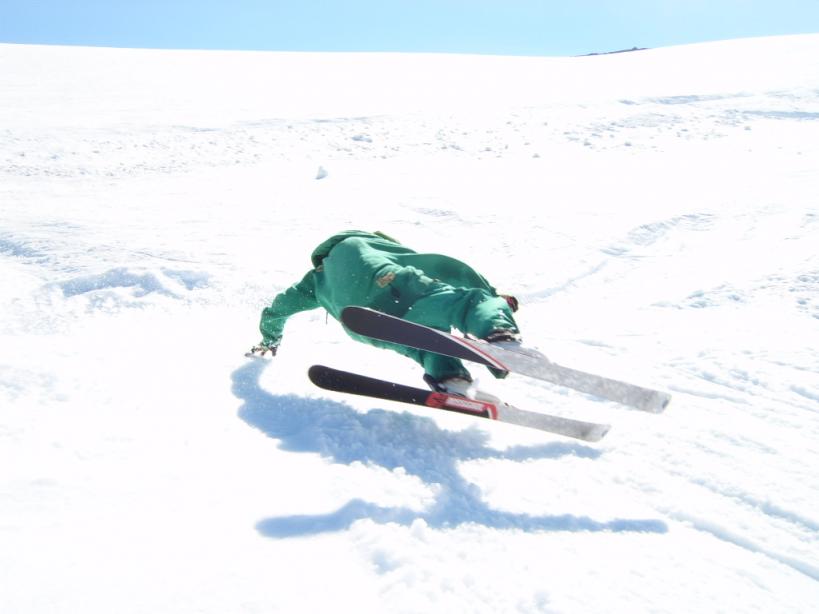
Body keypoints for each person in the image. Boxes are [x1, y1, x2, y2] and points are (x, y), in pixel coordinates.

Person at [249, 230, 521, 400]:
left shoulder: (315, 281)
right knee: (469, 302)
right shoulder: (370, 242)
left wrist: (269, 339)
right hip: (398, 291)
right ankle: (501, 336)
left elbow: (278, 309)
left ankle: (451, 381)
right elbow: (449, 267)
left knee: (427, 344)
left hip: (364, 323)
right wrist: (493, 294)